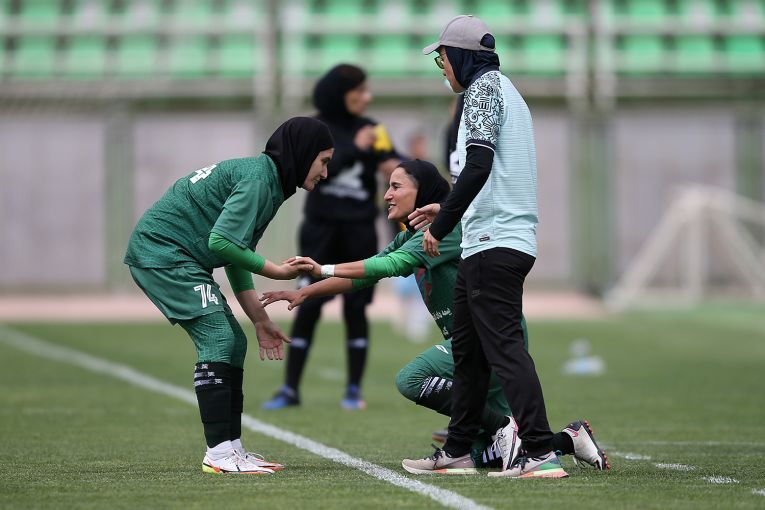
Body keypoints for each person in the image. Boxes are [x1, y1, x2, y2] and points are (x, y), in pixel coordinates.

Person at [260, 160, 608, 472]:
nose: (387, 195)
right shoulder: (410, 237)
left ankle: (503, 425)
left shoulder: (445, 231)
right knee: (484, 455)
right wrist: (305, 292)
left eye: (396, 187)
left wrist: (322, 267)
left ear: (422, 192)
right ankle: (569, 439)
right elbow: (368, 273)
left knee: (411, 380)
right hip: (470, 343)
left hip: (487, 340)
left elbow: (388, 265)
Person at [404, 15, 568, 478]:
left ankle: (540, 451)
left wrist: (442, 224)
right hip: (488, 240)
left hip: (495, 242)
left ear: (462, 56)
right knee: (469, 355)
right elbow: (489, 175)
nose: (441, 66)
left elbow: (478, 164)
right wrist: (448, 209)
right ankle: (458, 449)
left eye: (442, 57)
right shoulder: (501, 90)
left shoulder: (483, 90)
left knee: (504, 350)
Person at [124, 117, 334, 475]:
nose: (326, 172)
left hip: (178, 256)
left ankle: (232, 449)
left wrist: (260, 320)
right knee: (219, 338)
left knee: (234, 341)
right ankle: (219, 454)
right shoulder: (259, 180)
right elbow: (220, 242)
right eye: (324, 161)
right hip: (162, 254)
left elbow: (235, 252)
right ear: (303, 153)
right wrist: (276, 271)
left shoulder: (269, 180)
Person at [262, 64, 400, 411]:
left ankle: (353, 390)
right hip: (320, 228)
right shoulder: (318, 129)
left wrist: (398, 167)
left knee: (357, 307)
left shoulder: (373, 128)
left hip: (359, 229)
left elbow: (392, 166)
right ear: (341, 94)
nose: (367, 97)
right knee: (306, 304)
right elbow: (317, 170)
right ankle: (290, 389)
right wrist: (354, 147)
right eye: (359, 91)